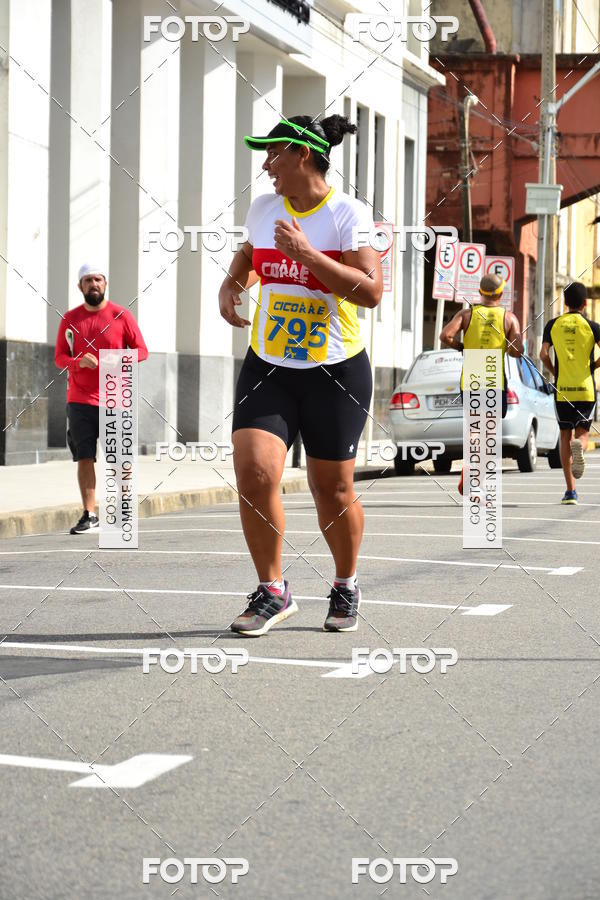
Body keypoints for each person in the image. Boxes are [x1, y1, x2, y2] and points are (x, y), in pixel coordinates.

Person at [218, 115, 382, 636]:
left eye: (274, 155)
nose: (267, 165)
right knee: (254, 471)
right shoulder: (264, 208)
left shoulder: (347, 215)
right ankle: (272, 591)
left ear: (303, 156)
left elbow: (372, 292)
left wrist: (308, 255)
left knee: (330, 489)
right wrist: (230, 285)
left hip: (335, 369)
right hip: (270, 363)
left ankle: (345, 583)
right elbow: (248, 255)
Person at [54, 264, 149, 533]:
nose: (93, 284)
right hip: (79, 399)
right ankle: (89, 514)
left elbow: (142, 351)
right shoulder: (70, 319)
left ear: (105, 284)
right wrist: (77, 361)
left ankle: (124, 509)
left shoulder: (121, 315)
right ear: (80, 286)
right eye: (87, 280)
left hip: (115, 399)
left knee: (118, 458)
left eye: (97, 279)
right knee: (84, 457)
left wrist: (117, 360)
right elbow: (59, 357)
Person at [440, 273, 524, 494]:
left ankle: (470, 470)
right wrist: (508, 344)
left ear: (480, 292)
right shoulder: (509, 318)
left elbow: (445, 335)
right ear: (500, 293)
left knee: (474, 430)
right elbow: (517, 351)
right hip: (494, 377)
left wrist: (461, 348)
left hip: (472, 376)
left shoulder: (466, 314)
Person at [540, 281, 600, 505]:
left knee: (565, 435)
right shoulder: (592, 326)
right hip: (585, 389)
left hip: (562, 389)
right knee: (582, 434)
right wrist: (593, 366)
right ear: (585, 303)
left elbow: (543, 353)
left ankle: (570, 491)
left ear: (564, 303)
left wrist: (555, 371)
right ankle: (581, 450)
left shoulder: (553, 325)